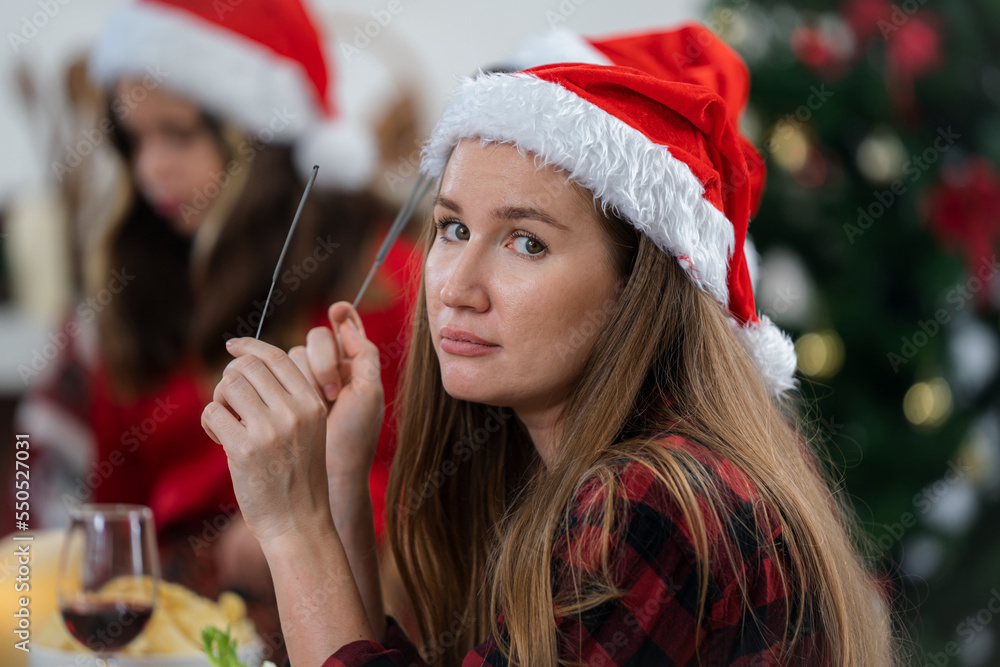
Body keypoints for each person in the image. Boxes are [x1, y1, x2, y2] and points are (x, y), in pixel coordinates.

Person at [202, 24, 900, 667]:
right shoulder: (578, 469)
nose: (456, 287)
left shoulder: (652, 501)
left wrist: (293, 530)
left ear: (638, 290)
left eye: (526, 242)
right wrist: (336, 482)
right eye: (451, 228)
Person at [17, 0, 419, 658]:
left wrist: (290, 525)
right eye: (133, 140)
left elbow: (430, 499)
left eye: (177, 134)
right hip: (170, 626)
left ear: (259, 137)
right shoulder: (133, 295)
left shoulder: (384, 288)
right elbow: (113, 522)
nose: (150, 170)